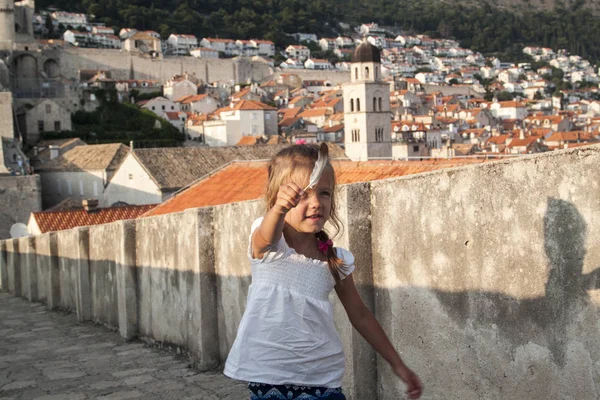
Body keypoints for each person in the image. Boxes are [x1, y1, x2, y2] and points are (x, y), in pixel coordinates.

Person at [224, 144, 422, 400]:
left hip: (322, 378)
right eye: (302, 195)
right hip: (270, 376)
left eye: (324, 193)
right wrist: (279, 210)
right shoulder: (271, 246)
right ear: (277, 199)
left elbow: (360, 315)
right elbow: (266, 235)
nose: (316, 202)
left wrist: (398, 364)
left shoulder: (335, 259)